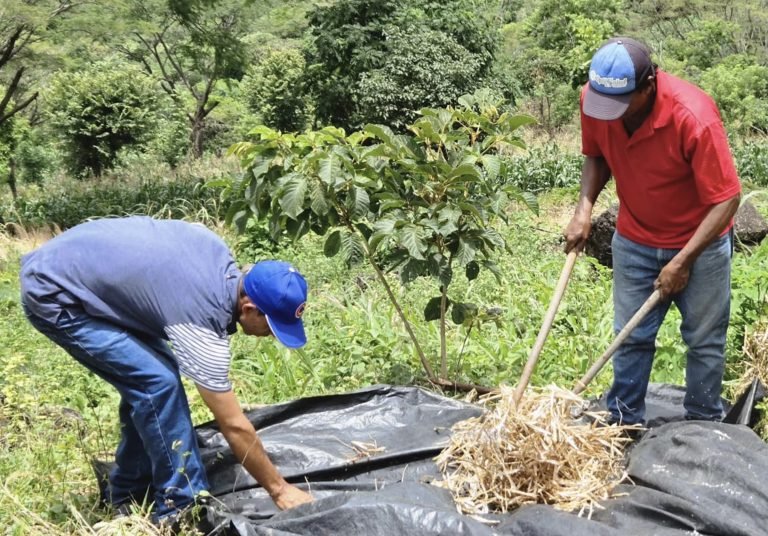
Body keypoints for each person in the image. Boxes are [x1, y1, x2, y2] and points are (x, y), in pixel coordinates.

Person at [19, 216, 314, 522]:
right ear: (250, 308)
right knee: (157, 383)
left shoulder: (216, 252)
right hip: (54, 292)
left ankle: (127, 489)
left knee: (154, 379)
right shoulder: (199, 321)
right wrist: (279, 490)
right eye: (272, 326)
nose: (273, 336)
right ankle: (180, 507)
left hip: (74, 265)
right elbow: (233, 424)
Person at [563, 37, 742, 425]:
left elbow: (727, 199)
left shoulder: (693, 116)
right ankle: (624, 424)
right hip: (635, 240)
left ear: (648, 86)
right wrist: (584, 208)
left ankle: (703, 425)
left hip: (701, 245)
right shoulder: (597, 100)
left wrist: (683, 260)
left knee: (704, 341)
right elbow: (597, 153)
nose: (609, 114)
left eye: (622, 105)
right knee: (629, 337)